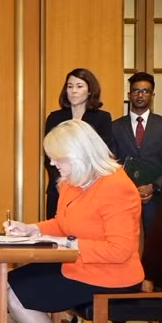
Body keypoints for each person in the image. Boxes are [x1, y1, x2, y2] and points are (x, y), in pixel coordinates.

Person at [4, 119, 144, 323]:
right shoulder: (73, 182)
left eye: (58, 159)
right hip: (80, 264)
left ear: (81, 155)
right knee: (5, 283)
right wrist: (32, 228)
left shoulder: (117, 187)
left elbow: (119, 251)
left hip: (112, 275)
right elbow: (63, 223)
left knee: (16, 294)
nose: (54, 164)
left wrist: (67, 243)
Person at [112, 71, 162, 234]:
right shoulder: (115, 126)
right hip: (123, 197)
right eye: (136, 91)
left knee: (155, 244)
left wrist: (153, 186)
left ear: (152, 95)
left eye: (145, 91)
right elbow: (109, 162)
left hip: (156, 197)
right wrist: (129, 187)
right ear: (129, 94)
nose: (140, 95)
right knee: (123, 241)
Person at [44, 68, 114, 219]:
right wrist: (61, 182)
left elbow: (104, 154)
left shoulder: (102, 118)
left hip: (90, 188)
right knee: (55, 232)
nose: (73, 91)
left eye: (79, 86)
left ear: (90, 91)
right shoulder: (54, 118)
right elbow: (48, 156)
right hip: (59, 187)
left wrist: (83, 182)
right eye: (70, 86)